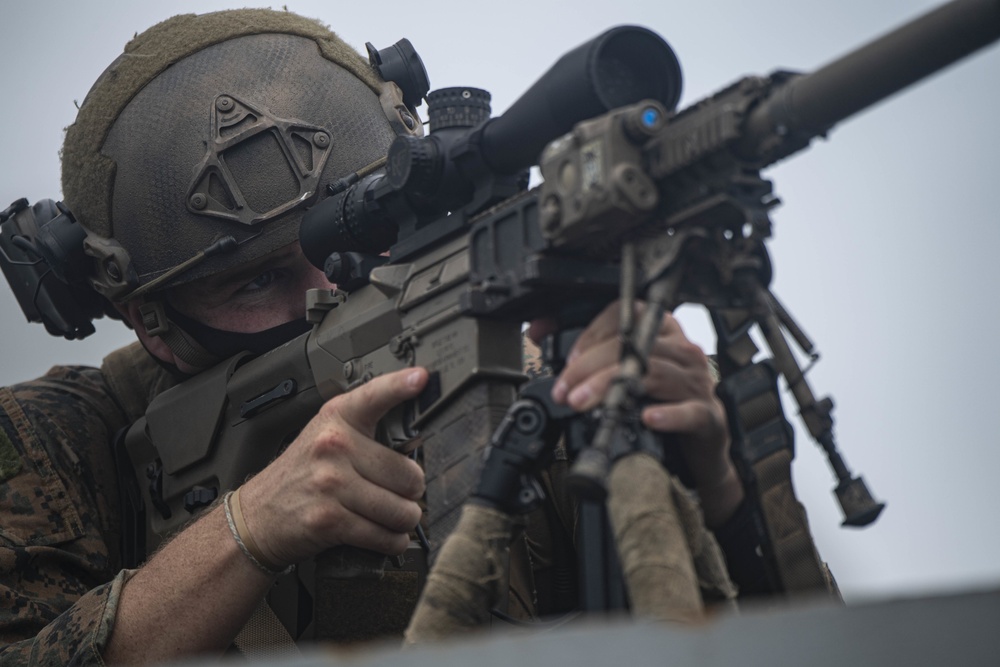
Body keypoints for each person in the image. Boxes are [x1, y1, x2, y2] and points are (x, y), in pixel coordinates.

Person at [0, 9, 821, 665]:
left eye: (358, 244)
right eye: (256, 281)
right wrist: (248, 529)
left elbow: (825, 641)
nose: (331, 289)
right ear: (154, 323)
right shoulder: (57, 443)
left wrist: (717, 481)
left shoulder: (546, 379)